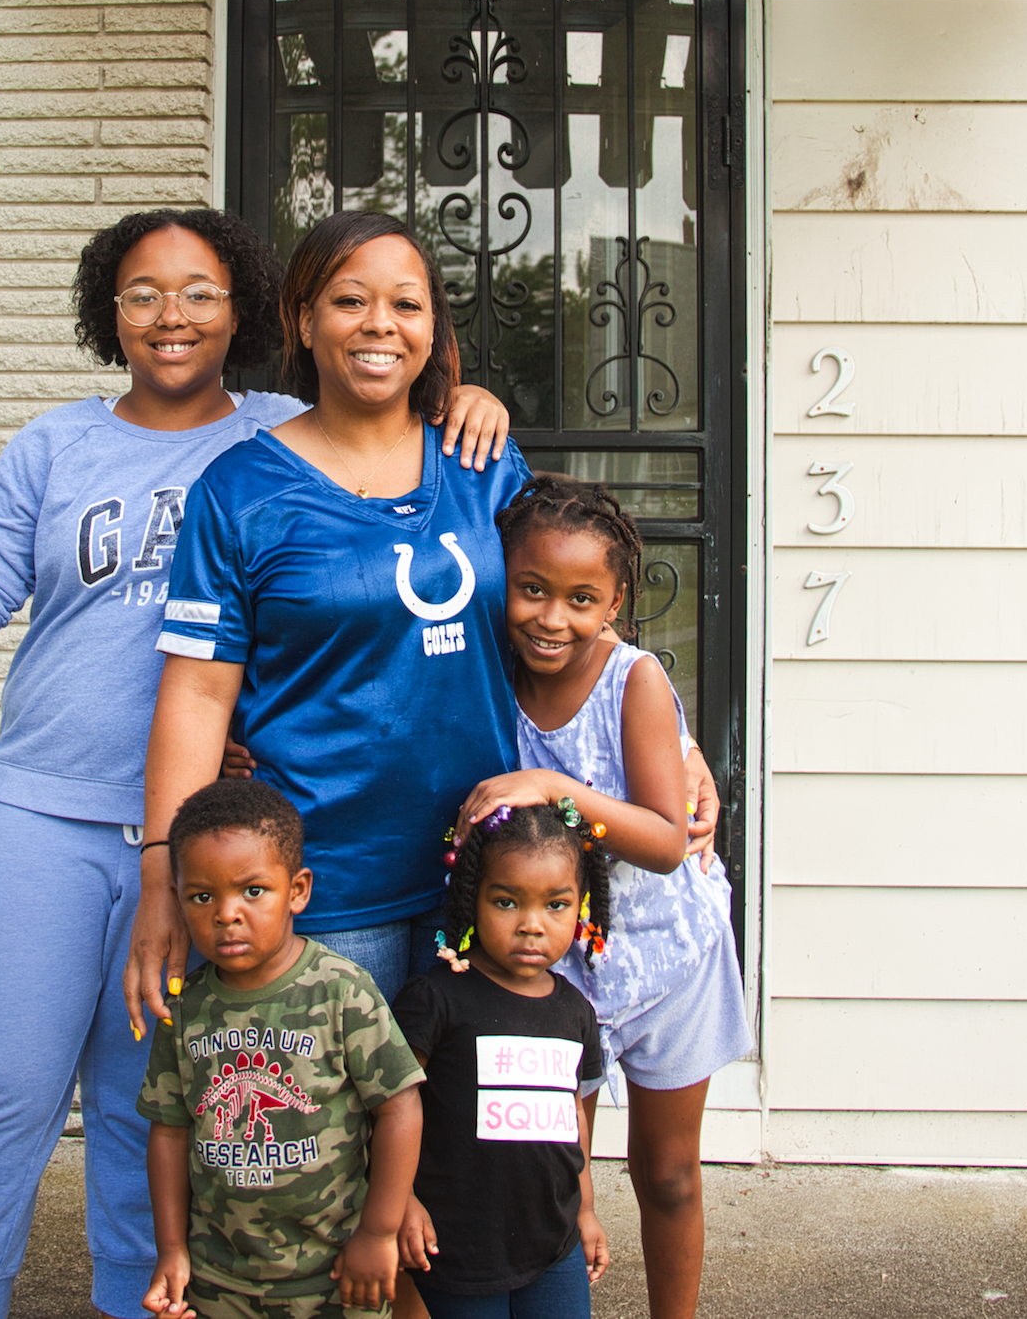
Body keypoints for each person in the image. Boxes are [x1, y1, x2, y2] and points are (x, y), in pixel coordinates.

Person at [0, 207, 508, 1319]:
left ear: (252, 310)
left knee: (154, 1114)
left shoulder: (278, 429)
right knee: (4, 1097)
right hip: (48, 818)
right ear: (107, 314)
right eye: (142, 295)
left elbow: (389, 373)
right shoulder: (56, 447)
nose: (172, 315)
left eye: (200, 292)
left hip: (214, 846)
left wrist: (470, 393)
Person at [128, 209, 535, 1029]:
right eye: (350, 301)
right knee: (315, 1149)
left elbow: (564, 633)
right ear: (303, 320)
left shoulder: (484, 464)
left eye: (406, 305)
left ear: (432, 327)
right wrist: (164, 877)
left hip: (483, 878)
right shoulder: (238, 491)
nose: (380, 324)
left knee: (467, 1152)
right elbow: (199, 696)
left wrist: (669, 748)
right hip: (319, 890)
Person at [455, 474, 752, 1319]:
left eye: (583, 599)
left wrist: (555, 787)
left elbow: (666, 841)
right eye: (533, 590)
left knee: (667, 1172)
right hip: (547, 966)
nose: (554, 618)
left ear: (617, 600)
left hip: (668, 957)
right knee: (547, 1179)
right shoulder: (485, 670)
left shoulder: (635, 680)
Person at [139, 780, 425, 1319]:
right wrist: (172, 1249)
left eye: (252, 891)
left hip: (338, 1275)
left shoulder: (344, 991)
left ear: (297, 890)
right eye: (203, 896)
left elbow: (400, 1108)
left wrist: (379, 1231)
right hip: (219, 1278)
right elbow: (170, 1130)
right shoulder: (185, 1010)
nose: (227, 913)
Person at [391, 803, 610, 1319]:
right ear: (472, 898)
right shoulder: (435, 999)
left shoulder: (576, 1011)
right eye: (507, 902)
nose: (532, 926)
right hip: (456, 1244)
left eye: (556, 905)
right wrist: (400, 1201)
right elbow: (392, 1105)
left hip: (552, 1242)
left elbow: (572, 1117)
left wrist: (588, 1209)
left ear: (581, 907)